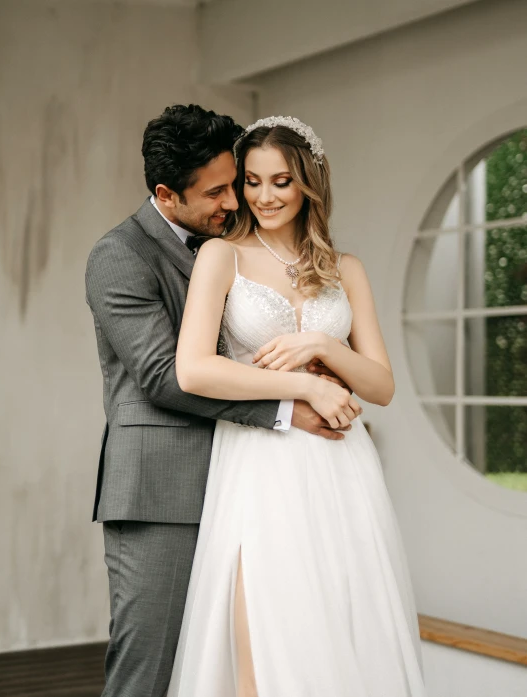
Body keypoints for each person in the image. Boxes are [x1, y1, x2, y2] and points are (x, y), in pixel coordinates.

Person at [85, 105, 359, 697]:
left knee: (239, 665)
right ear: (167, 193)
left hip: (253, 484)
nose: (234, 203)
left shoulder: (236, 243)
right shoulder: (119, 256)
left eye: (234, 184)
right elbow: (164, 375)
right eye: (216, 193)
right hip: (165, 491)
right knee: (150, 668)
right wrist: (289, 405)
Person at [167, 116, 426, 696]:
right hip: (262, 464)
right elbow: (194, 369)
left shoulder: (346, 269)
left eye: (280, 181)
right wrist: (306, 386)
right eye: (252, 182)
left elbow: (381, 386)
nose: (263, 197)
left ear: (309, 182)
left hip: (343, 467)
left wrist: (323, 346)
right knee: (264, 626)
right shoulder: (221, 257)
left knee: (343, 625)